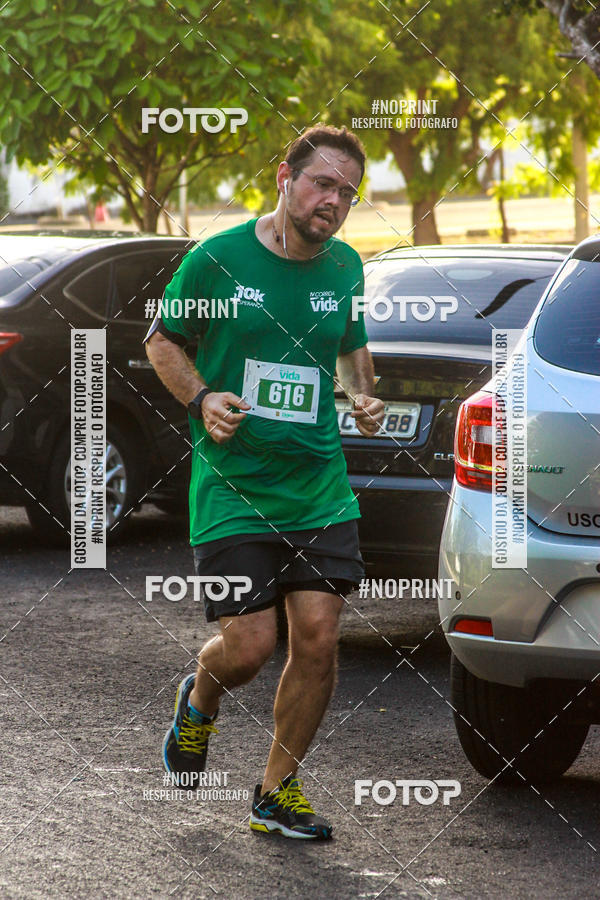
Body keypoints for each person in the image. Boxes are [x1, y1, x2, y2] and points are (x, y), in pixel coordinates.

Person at [145, 124, 384, 840]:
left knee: (317, 635)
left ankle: (277, 790)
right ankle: (199, 700)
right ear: (285, 177)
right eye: (323, 183)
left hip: (318, 483)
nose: (334, 201)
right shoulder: (218, 259)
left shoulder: (345, 266)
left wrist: (363, 396)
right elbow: (161, 340)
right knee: (248, 648)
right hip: (234, 485)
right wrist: (201, 398)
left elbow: (350, 347)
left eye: (347, 191)